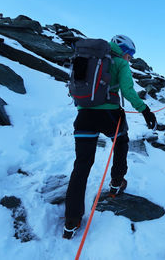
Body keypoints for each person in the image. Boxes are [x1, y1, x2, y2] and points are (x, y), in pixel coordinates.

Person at [63, 35, 157, 239]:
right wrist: (145, 110)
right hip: (110, 115)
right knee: (121, 142)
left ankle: (71, 220)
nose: (130, 59)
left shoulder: (89, 57)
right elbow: (128, 91)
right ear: (125, 51)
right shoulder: (121, 63)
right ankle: (116, 182)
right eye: (130, 55)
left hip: (84, 114)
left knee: (82, 164)